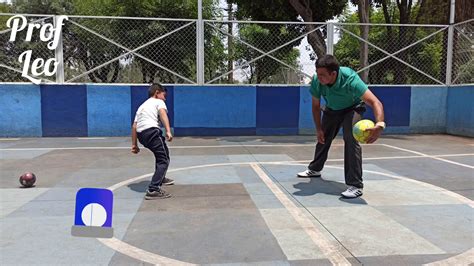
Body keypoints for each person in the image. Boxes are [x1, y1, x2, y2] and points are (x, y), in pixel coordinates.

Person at [297, 55, 385, 198]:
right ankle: (315, 169)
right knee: (323, 137)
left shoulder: (350, 79)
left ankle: (355, 185)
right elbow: (315, 107)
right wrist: (318, 129)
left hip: (352, 108)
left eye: (322, 75)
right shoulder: (317, 81)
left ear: (334, 74)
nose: (318, 78)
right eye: (317, 74)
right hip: (332, 109)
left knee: (350, 138)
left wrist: (380, 125)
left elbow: (376, 102)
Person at [131, 83, 174, 200]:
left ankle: (161, 177)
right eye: (163, 95)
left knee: (161, 154)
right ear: (157, 93)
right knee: (164, 159)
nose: (165, 97)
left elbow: (134, 126)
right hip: (152, 132)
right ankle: (153, 189)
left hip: (142, 135)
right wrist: (168, 131)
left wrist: (134, 144)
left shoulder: (142, 106)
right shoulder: (158, 102)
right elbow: (163, 114)